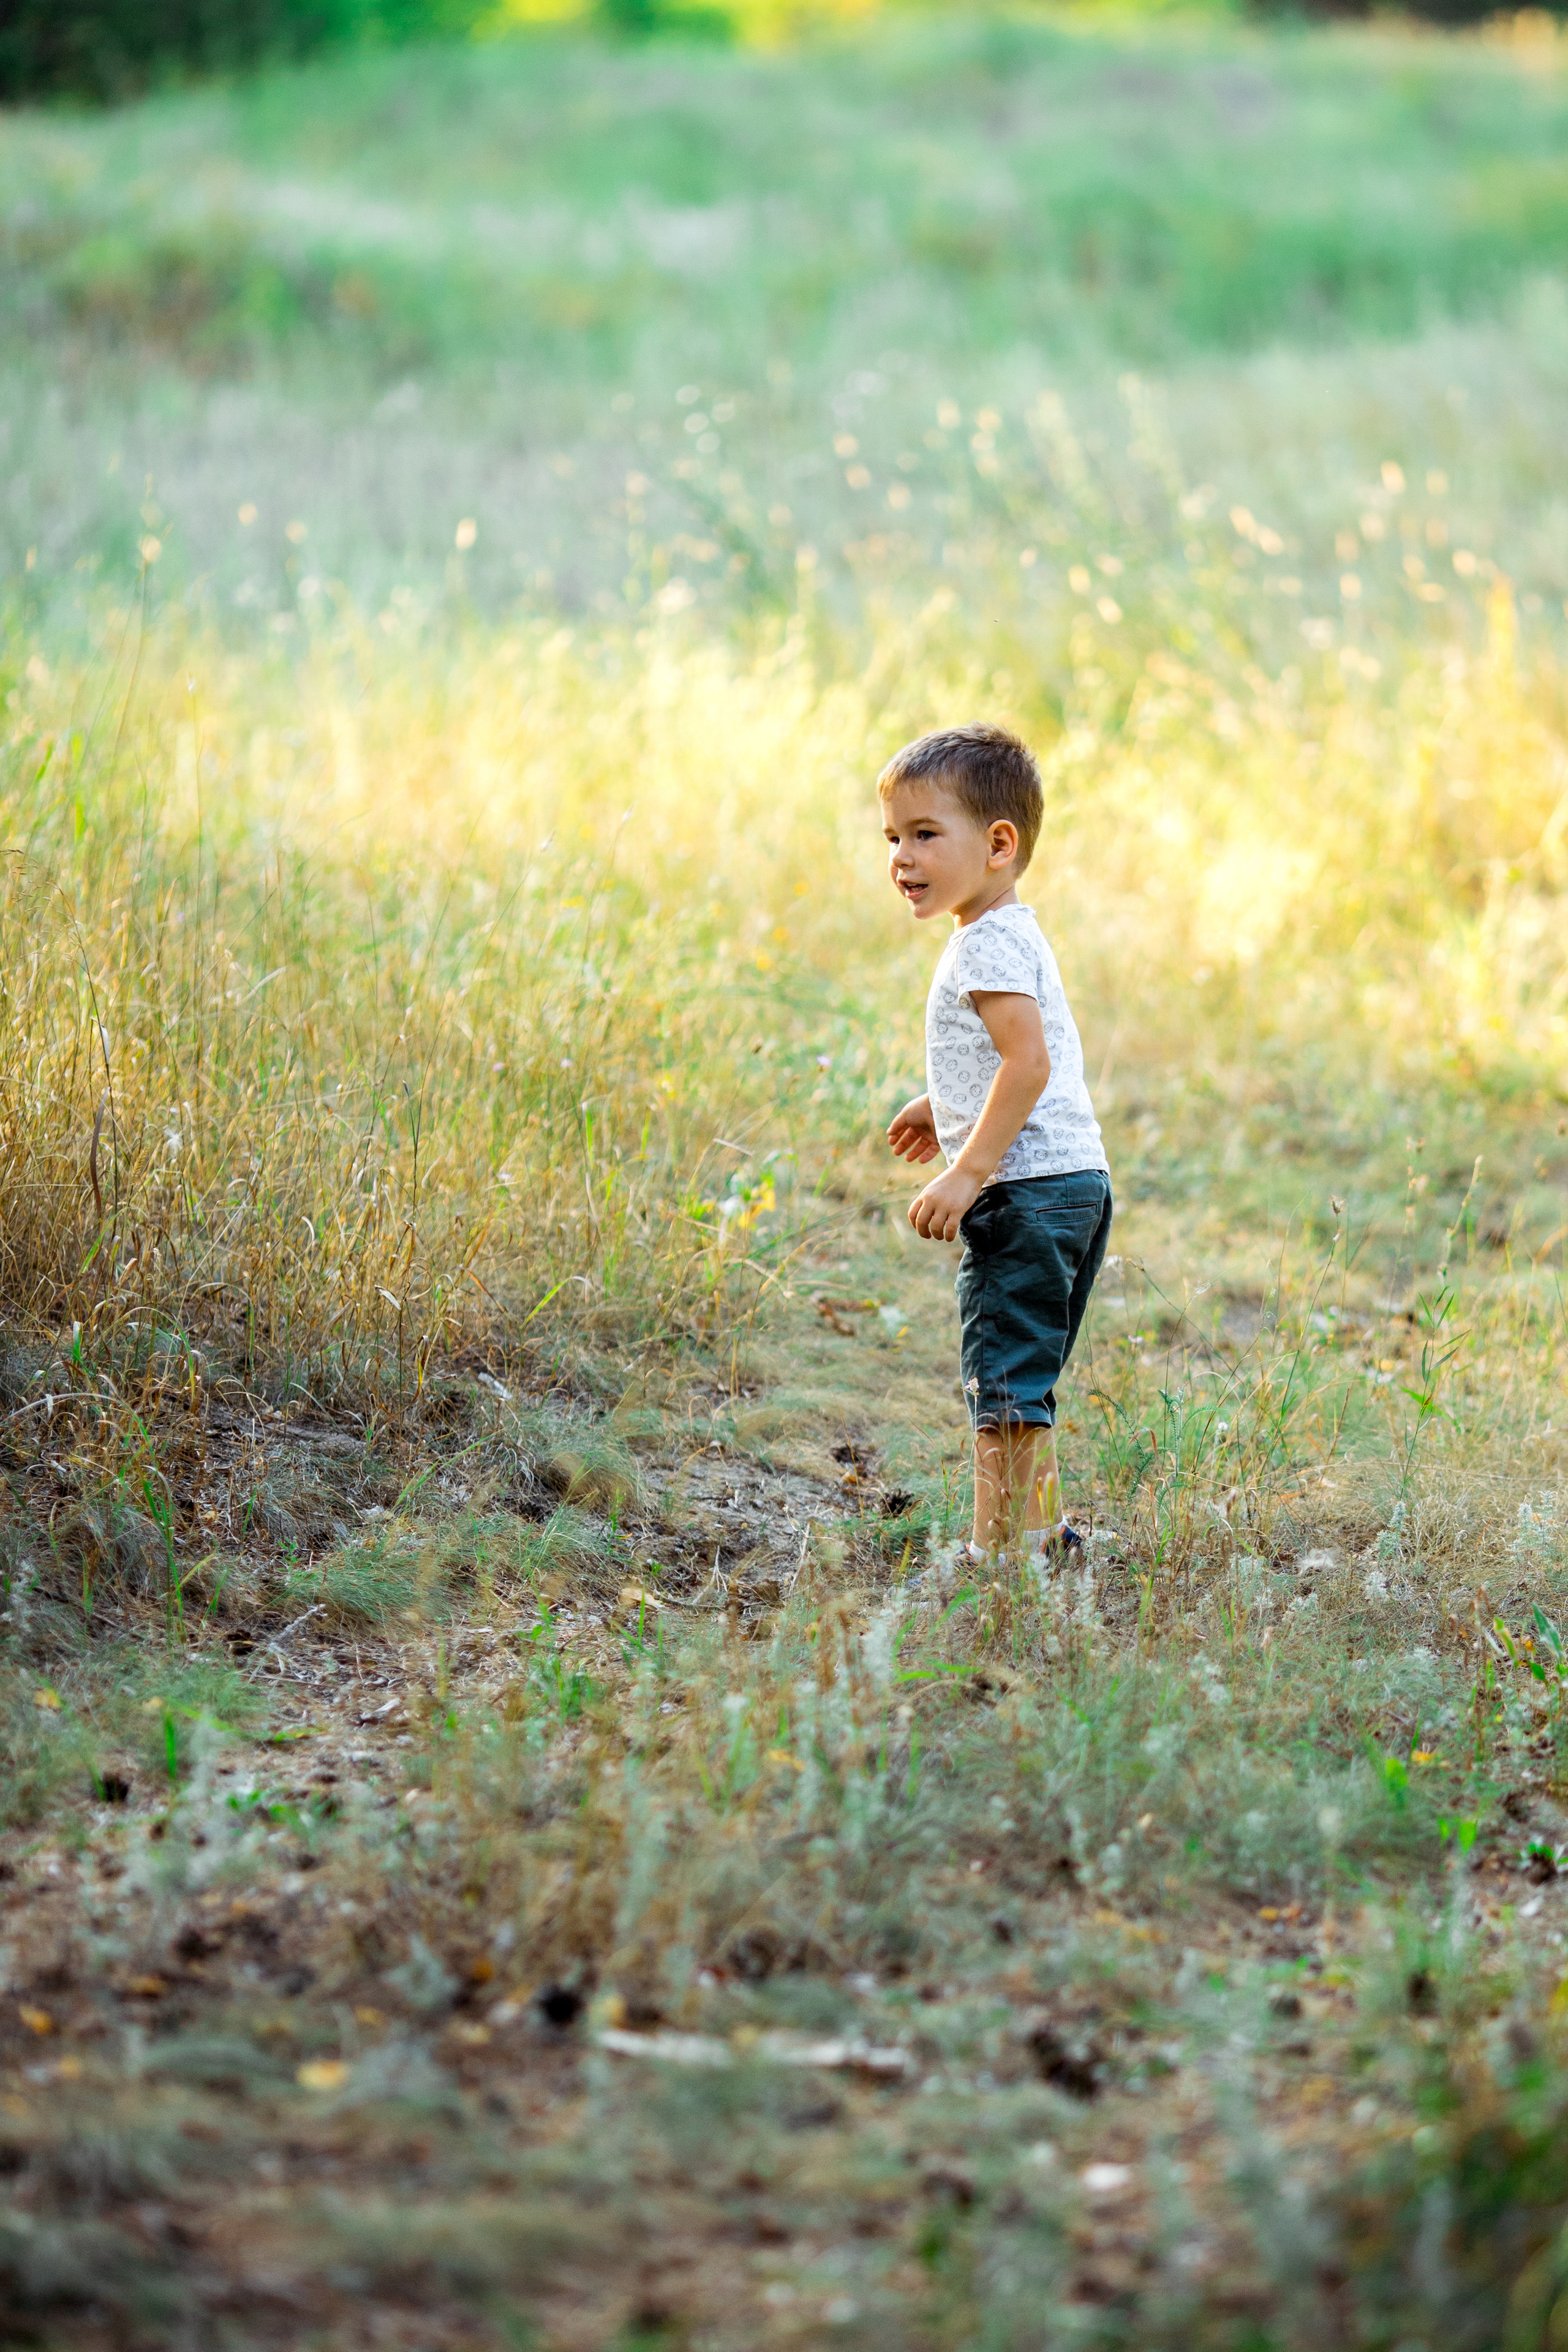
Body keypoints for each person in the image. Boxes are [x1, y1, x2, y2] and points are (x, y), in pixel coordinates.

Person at [880, 724, 1112, 1566]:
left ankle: (995, 1561)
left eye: (926, 835)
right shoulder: (1007, 931)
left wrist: (968, 1169)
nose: (902, 857)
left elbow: (1029, 1060)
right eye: (894, 839)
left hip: (1023, 1192)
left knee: (1002, 1393)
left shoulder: (985, 943)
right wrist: (938, 1103)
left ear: (999, 845)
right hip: (1068, 1182)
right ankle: (1041, 1542)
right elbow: (1004, 1058)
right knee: (1024, 1390)